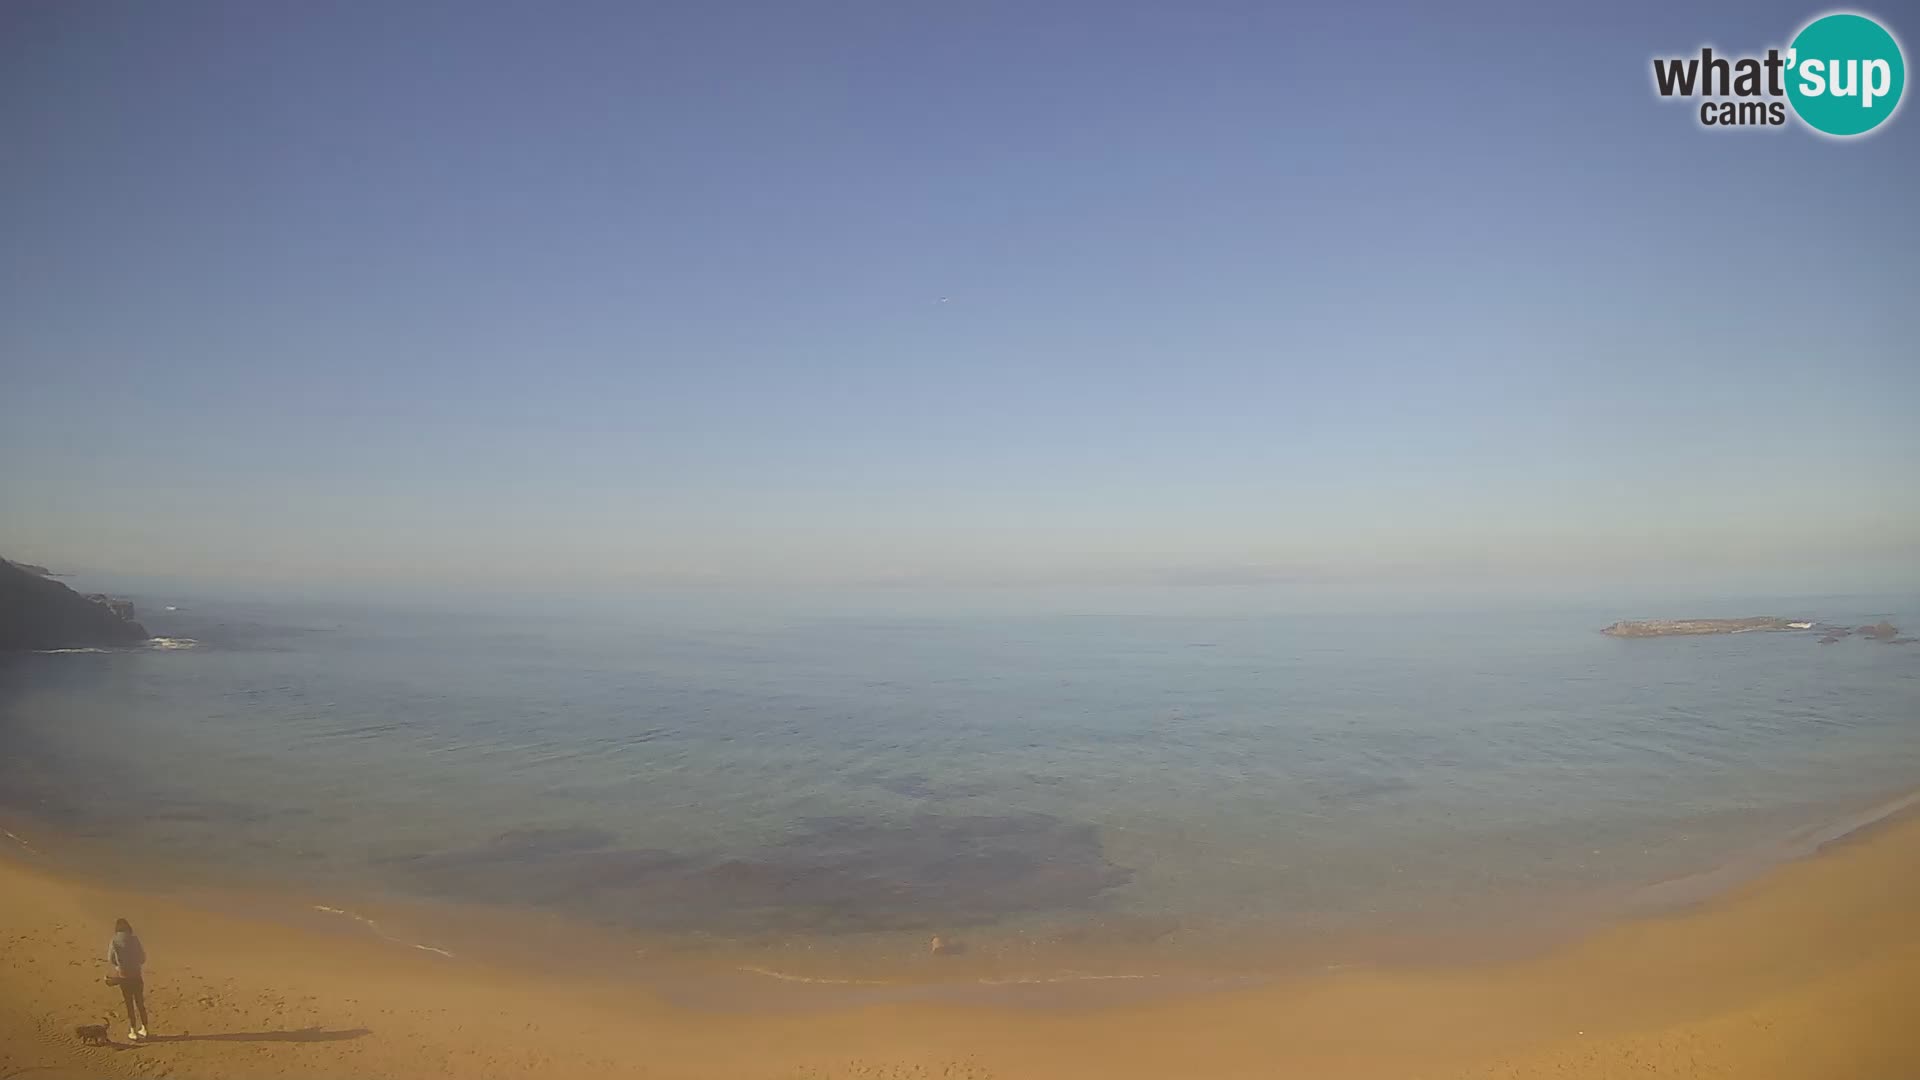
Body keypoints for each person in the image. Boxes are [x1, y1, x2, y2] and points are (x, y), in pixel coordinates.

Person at [107, 918, 149, 1041]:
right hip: (136, 974)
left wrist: (119, 965)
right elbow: (142, 957)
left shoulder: (114, 940)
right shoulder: (135, 940)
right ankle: (145, 1029)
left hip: (124, 975)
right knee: (140, 1003)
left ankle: (133, 1030)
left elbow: (110, 958)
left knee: (129, 1003)